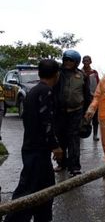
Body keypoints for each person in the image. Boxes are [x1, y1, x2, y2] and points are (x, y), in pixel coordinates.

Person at [4, 59, 63, 222]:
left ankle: (43, 218)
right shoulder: (45, 92)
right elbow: (47, 123)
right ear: (56, 74)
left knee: (45, 188)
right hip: (37, 149)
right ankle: (13, 220)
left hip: (33, 146)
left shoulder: (33, 92)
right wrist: (55, 146)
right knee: (28, 188)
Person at [53, 50, 91, 177]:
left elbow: (87, 96)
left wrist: (87, 114)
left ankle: (74, 167)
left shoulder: (82, 76)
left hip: (76, 112)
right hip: (60, 112)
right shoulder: (58, 74)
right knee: (61, 138)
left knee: (74, 140)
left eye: (71, 60)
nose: (68, 62)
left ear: (76, 62)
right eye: (66, 60)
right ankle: (61, 163)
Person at [81, 55, 100, 141]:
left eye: (87, 60)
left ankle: (95, 135)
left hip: (93, 99)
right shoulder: (79, 72)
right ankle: (81, 134)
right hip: (83, 99)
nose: (86, 62)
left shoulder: (94, 72)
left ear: (90, 62)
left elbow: (99, 85)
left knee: (95, 118)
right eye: (84, 61)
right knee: (82, 117)